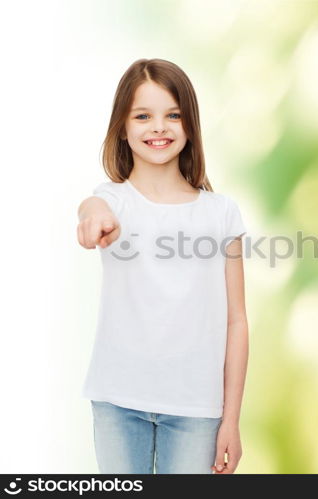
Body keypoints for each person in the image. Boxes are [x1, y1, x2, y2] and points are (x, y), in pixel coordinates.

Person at [76, 58, 249, 474]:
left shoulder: (221, 213)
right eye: (143, 116)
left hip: (197, 411)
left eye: (173, 115)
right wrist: (92, 217)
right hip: (119, 403)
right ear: (123, 126)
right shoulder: (112, 202)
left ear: (190, 125)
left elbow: (237, 321)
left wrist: (231, 419)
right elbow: (92, 207)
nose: (159, 127)